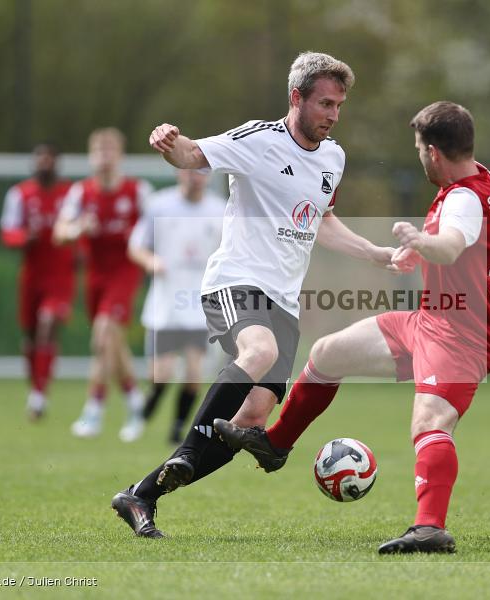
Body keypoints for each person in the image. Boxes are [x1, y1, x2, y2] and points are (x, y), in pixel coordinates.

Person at [110, 51, 395, 539]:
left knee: (252, 420)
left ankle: (142, 495)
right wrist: (168, 143)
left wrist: (375, 253)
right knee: (258, 352)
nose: (333, 115)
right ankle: (182, 454)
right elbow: (193, 156)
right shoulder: (260, 139)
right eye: (325, 103)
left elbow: (320, 221)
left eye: (339, 105)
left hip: (284, 303)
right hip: (235, 282)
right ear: (296, 98)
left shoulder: (334, 157)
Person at [217, 101, 490, 554]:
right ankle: (275, 444)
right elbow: (461, 247)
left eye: (418, 149)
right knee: (328, 354)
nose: (419, 156)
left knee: (430, 422)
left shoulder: (465, 198)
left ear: (433, 152)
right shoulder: (476, 177)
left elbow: (452, 245)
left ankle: (429, 528)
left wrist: (423, 242)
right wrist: (418, 251)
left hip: (462, 336)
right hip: (429, 320)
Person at [54, 128, 154, 442]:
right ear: (90, 155)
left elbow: (156, 229)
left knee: (103, 334)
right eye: (98, 150)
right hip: (94, 275)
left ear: (120, 156)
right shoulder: (81, 193)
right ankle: (136, 400)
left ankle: (94, 410)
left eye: (110, 150)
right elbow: (60, 232)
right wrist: (77, 229)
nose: (104, 157)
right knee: (111, 343)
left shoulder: (138, 191)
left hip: (125, 271)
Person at [127, 169, 226, 444]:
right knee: (161, 374)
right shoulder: (159, 204)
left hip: (200, 305)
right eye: (190, 171)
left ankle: (176, 431)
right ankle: (142, 415)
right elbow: (136, 246)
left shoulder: (219, 209)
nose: (196, 177)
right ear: (179, 172)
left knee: (194, 374)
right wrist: (150, 261)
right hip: (167, 304)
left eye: (202, 172)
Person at [0, 143, 75, 420]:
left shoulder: (70, 193)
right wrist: (22, 238)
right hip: (31, 276)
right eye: (39, 159)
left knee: (47, 325)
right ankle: (36, 388)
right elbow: (7, 232)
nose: (44, 163)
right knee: (30, 338)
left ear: (57, 163)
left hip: (60, 276)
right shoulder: (20, 194)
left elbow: (80, 227)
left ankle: (39, 395)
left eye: (49, 159)